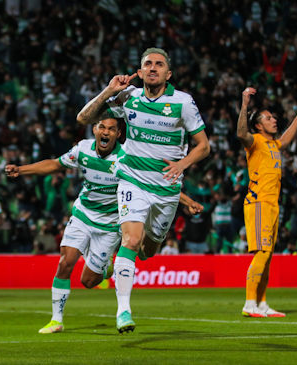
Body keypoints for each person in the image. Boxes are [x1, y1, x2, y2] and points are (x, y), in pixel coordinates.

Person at [5, 117, 203, 334]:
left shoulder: (127, 156)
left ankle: (106, 264)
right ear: (94, 129)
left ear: (119, 134)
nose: (106, 132)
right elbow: (55, 164)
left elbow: (154, 181)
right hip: (84, 213)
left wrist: (188, 201)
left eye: (111, 129)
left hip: (111, 223)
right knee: (65, 261)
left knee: (89, 281)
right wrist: (21, 170)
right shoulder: (82, 149)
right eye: (102, 127)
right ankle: (56, 320)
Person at [77, 47, 210, 333]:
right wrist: (109, 89)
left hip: (167, 189)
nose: (153, 68)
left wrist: (182, 164)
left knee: (149, 250)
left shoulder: (183, 103)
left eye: (159, 64)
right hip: (133, 181)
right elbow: (84, 119)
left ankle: (123, 267)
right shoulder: (129, 97)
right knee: (131, 240)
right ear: (139, 71)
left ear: (168, 73)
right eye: (147, 64)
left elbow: (204, 146)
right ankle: (123, 310)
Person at [236, 86, 297, 318]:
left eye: (273, 117)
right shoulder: (255, 141)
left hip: (272, 204)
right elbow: (240, 134)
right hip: (258, 203)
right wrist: (245, 105)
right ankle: (249, 303)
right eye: (268, 118)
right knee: (261, 252)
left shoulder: (273, 145)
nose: (274, 120)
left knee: (268, 255)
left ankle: (261, 303)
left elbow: (285, 140)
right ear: (258, 125)